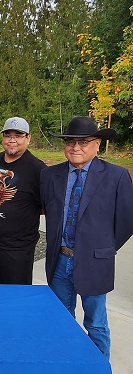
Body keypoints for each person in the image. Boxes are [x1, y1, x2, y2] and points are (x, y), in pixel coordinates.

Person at [40, 116, 133, 359]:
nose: (76, 147)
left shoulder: (116, 176)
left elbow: (126, 220)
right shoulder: (50, 176)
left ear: (98, 144)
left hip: (94, 261)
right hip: (60, 260)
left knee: (96, 323)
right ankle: (67, 364)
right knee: (61, 319)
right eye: (71, 142)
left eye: (84, 141)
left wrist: (103, 247)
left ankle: (99, 371)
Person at [0, 117, 46, 284]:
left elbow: (44, 206)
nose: (12, 140)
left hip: (18, 248)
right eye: (8, 135)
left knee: (16, 297)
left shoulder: (38, 169)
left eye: (19, 135)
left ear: (28, 138)